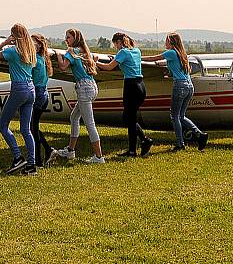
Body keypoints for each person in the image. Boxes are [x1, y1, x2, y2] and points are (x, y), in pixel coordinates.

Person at [142, 32, 208, 151]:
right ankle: (200, 135)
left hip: (180, 86)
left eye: (166, 40)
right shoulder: (182, 54)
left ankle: (180, 144)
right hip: (189, 86)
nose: (165, 42)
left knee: (174, 116)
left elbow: (153, 58)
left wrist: (136, 58)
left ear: (171, 42)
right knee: (181, 116)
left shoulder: (171, 52)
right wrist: (169, 73)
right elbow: (176, 68)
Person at [0, 24, 37, 174]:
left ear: (14, 36)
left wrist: (4, 43)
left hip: (19, 89)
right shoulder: (31, 51)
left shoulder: (12, 51)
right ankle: (32, 165)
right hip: (31, 89)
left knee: (2, 125)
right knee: (26, 129)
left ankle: (18, 157)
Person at [95, 32, 153, 157]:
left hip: (131, 87)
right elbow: (125, 61)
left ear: (118, 42)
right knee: (129, 118)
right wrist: (116, 59)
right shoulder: (137, 51)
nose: (115, 47)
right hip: (140, 86)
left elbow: (109, 68)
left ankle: (139, 145)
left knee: (129, 118)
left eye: (115, 44)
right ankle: (140, 143)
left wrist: (95, 63)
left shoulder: (122, 53)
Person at [55, 28, 105, 163]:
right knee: (74, 117)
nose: (66, 40)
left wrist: (58, 55)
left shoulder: (71, 52)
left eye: (68, 37)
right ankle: (70, 151)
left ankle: (99, 157)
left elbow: (63, 67)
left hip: (83, 88)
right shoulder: (86, 52)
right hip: (92, 86)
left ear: (75, 39)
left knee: (90, 124)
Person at [29, 34, 55, 174]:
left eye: (32, 42)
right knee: (33, 126)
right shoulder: (43, 58)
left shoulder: (35, 60)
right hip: (44, 94)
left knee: (32, 128)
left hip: (38, 94)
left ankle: (38, 160)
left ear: (38, 44)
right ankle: (47, 151)